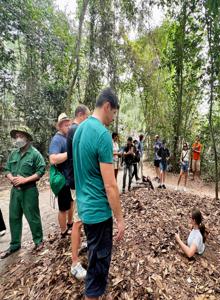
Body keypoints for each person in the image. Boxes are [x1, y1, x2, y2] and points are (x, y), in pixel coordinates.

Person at [73, 87, 125, 300]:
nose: (113, 118)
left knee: (95, 258)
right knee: (97, 268)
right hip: (99, 213)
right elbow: (110, 186)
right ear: (107, 106)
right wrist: (120, 219)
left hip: (85, 208)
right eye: (113, 113)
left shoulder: (79, 130)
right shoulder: (102, 135)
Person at [0, 126, 45, 259]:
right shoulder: (13, 154)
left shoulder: (35, 154)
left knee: (33, 217)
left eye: (21, 136)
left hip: (29, 191)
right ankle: (14, 244)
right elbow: (6, 169)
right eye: (17, 136)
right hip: (15, 192)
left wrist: (25, 180)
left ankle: (38, 241)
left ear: (27, 138)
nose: (18, 139)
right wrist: (11, 178)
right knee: (14, 217)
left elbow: (40, 171)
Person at [66, 105, 90, 280]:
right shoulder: (76, 130)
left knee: (81, 217)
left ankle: (85, 243)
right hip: (78, 181)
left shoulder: (73, 130)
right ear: (81, 115)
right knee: (78, 220)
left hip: (77, 180)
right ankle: (74, 263)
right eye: (87, 116)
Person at [49, 113, 73, 237]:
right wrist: (70, 153)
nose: (68, 126)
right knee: (63, 207)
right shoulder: (57, 139)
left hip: (69, 178)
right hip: (62, 179)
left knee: (71, 202)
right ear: (59, 126)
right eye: (65, 125)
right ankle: (63, 231)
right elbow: (52, 159)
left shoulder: (66, 137)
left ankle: (70, 223)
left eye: (69, 124)